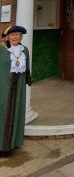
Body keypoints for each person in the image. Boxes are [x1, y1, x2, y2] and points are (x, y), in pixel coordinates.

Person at [0, 25, 31, 154]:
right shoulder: (2, 50)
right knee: (3, 112)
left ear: (21, 36)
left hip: (19, 87)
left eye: (17, 35)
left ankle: (13, 143)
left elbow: (27, 67)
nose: (14, 37)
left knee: (17, 111)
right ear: (8, 37)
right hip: (4, 85)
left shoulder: (25, 50)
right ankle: (2, 145)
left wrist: (28, 80)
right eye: (12, 35)